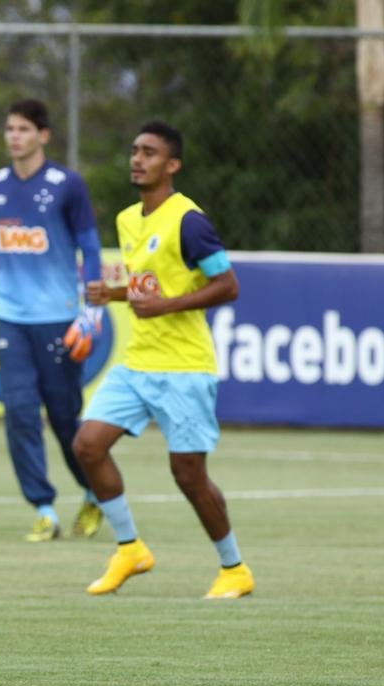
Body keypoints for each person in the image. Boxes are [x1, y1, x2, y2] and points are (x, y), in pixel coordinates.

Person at [72, 120, 255, 599]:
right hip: (138, 362)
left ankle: (234, 567)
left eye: (149, 152)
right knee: (88, 445)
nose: (137, 158)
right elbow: (148, 285)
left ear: (171, 165)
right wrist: (113, 292)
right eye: (134, 150)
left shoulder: (188, 221)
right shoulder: (130, 219)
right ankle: (130, 547)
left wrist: (166, 306)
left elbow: (227, 285)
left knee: (188, 475)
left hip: (184, 367)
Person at [0, 98, 106, 543]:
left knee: (66, 417)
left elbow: (90, 248)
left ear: (43, 136)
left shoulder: (67, 185)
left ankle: (95, 493)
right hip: (12, 318)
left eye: (24, 129)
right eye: (10, 128)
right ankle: (44, 508)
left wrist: (92, 312)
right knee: (19, 413)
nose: (15, 136)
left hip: (59, 319)